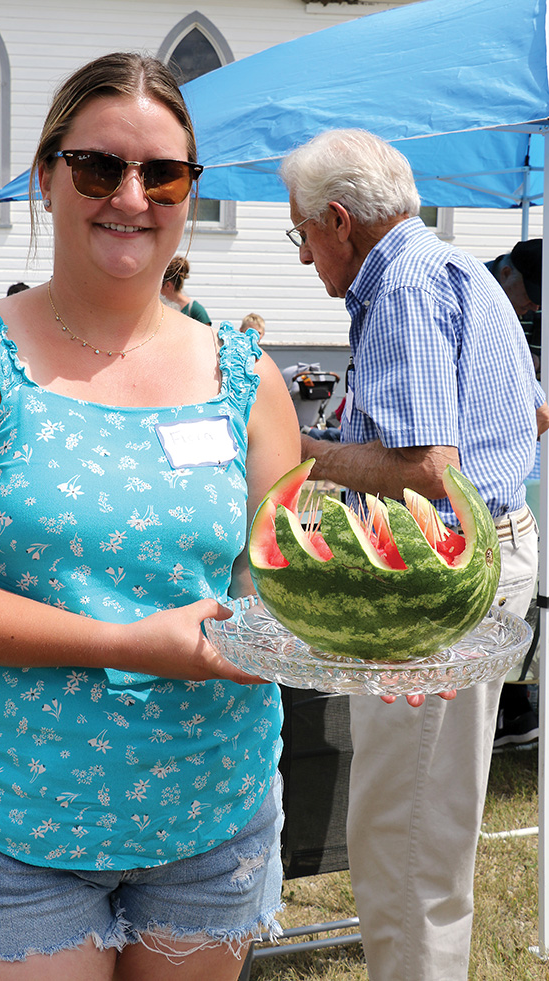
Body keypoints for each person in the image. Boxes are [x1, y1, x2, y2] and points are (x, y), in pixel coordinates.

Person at [0, 52, 299, 981]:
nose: (133, 196)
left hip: (213, 809)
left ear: (192, 190)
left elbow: (281, 587)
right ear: (45, 177)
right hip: (28, 821)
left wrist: (385, 647)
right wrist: (125, 641)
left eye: (164, 174)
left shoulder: (246, 376)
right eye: (100, 167)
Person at [280, 128, 542, 981]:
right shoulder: (453, 266)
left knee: (405, 839)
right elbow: (533, 413)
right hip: (488, 557)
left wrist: (294, 447)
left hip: (450, 579)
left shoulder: (400, 286)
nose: (305, 251)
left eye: (301, 232)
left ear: (341, 221)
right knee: (421, 830)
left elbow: (430, 471)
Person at [486, 239, 544, 747]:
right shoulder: (485, 303)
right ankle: (517, 711)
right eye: (531, 294)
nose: (533, 308)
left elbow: (541, 412)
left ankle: (518, 710)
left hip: (496, 522)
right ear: (507, 272)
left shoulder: (496, 312)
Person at [161, 254, 212, 323]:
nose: (159, 290)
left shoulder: (195, 310)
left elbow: (207, 333)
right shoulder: (163, 308)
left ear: (168, 285)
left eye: (160, 285)